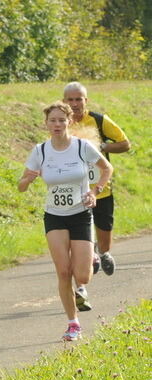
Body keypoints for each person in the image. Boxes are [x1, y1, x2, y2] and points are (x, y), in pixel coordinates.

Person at [18, 101, 111, 341]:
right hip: (54, 216)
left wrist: (95, 190)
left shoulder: (82, 147)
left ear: (69, 122)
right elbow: (21, 186)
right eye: (52, 120)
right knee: (63, 271)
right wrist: (27, 180)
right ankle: (73, 324)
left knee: (82, 276)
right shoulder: (40, 151)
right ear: (46, 124)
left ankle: (92, 257)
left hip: (80, 215)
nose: (57, 124)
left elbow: (106, 168)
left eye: (61, 120)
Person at [63, 81, 131, 305]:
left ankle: (103, 253)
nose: (74, 104)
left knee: (104, 239)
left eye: (78, 99)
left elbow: (124, 144)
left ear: (86, 100)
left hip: (101, 190)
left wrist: (101, 147)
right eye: (70, 100)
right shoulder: (60, 123)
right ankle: (81, 287)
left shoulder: (100, 120)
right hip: (74, 193)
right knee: (80, 242)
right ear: (65, 101)